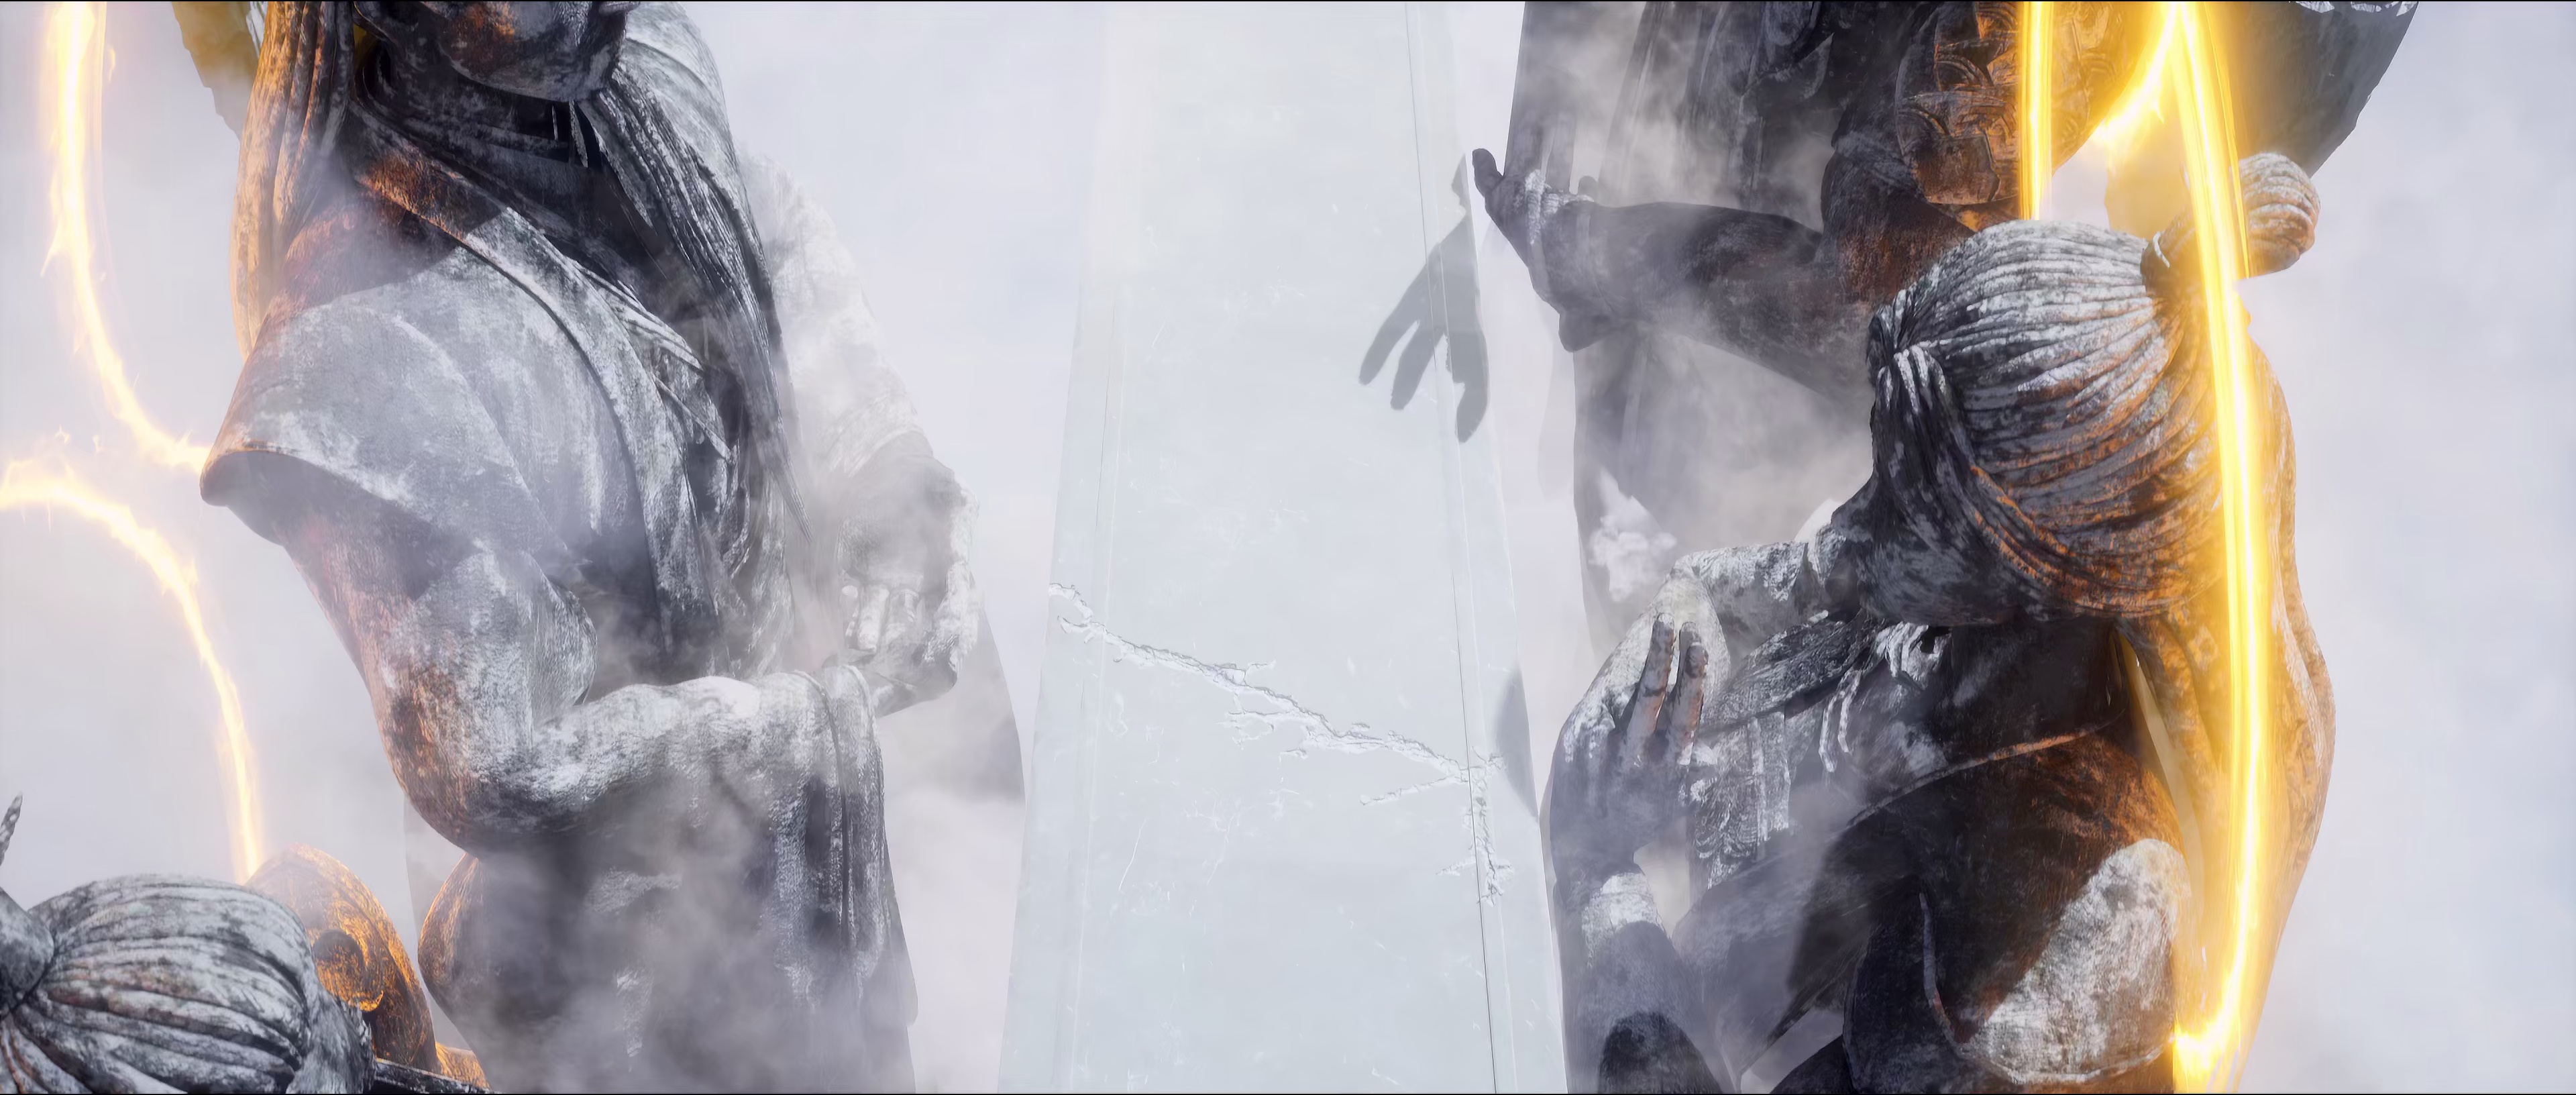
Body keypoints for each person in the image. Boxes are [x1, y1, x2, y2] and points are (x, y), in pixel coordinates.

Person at [197, 3, 973, 1088]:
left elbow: (771, 233)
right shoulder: (353, 359)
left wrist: (887, 478)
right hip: (613, 995)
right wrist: (799, 720)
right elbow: (495, 765)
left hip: (811, 900)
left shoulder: (643, 58)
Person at [1545, 154, 2332, 1092]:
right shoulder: (2018, 564)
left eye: (1909, 508)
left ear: (2039, 577)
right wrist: (1694, 610)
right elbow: (1817, 570)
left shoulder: (2065, 941)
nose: (1862, 523)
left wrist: (1600, 876)